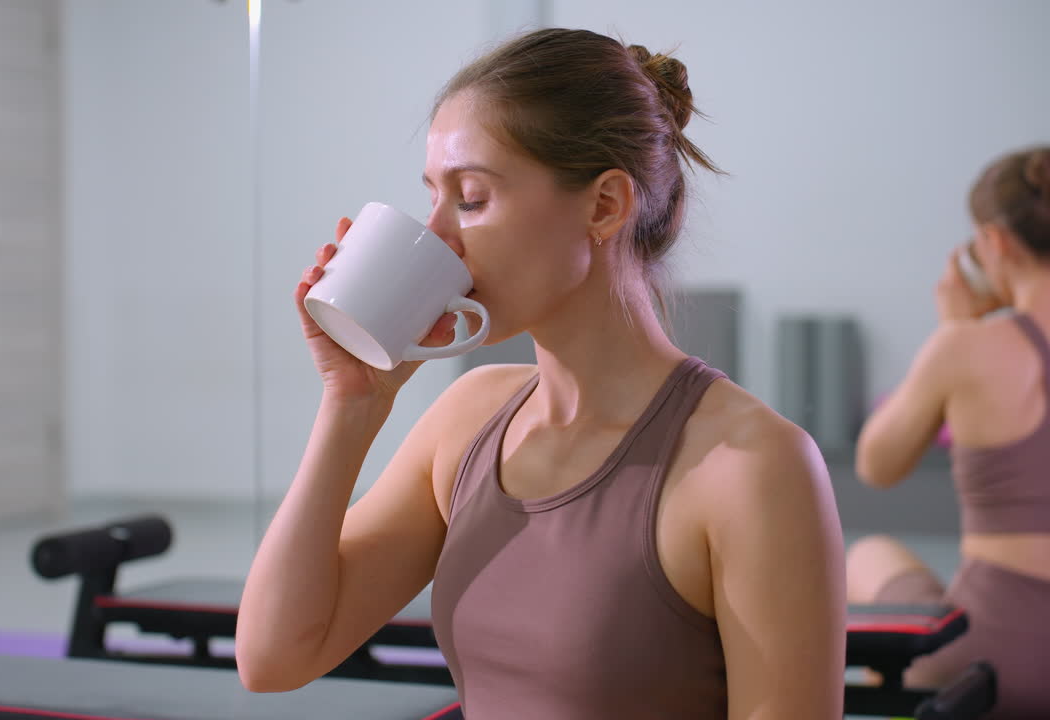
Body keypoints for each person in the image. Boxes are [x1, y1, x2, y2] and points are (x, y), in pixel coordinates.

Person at [236, 28, 845, 718]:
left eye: (470, 199)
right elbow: (274, 656)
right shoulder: (468, 420)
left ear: (604, 206)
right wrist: (351, 406)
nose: (434, 234)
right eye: (432, 196)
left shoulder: (752, 466)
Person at [848, 146, 1050, 719]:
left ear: (994, 243)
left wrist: (955, 334)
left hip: (992, 660)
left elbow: (876, 465)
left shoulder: (966, 348)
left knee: (867, 553)